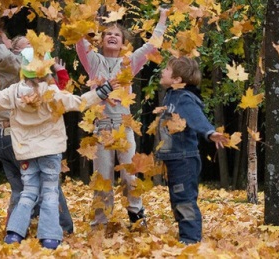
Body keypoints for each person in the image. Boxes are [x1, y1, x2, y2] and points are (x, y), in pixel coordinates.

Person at [0, 49, 116, 249]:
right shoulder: (51, 93)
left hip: (25, 151)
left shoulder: (14, 92)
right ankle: (49, 237)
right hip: (50, 151)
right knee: (49, 192)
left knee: (28, 191)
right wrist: (102, 91)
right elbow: (79, 102)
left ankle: (14, 233)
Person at [0, 14, 74, 234]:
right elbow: (4, 55)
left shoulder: (9, 68)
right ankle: (62, 228)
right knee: (48, 185)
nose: (7, 41)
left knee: (21, 190)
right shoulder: (11, 66)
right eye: (8, 42)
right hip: (18, 138)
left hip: (5, 137)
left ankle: (15, 231)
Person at [75, 8, 169, 227]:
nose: (112, 36)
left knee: (130, 176)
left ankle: (136, 217)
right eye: (108, 33)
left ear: (124, 42)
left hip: (124, 129)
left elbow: (151, 46)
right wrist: (85, 15)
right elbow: (80, 41)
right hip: (102, 129)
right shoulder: (93, 61)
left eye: (117, 34)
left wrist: (162, 18)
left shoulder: (130, 62)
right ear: (101, 40)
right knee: (103, 179)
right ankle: (100, 223)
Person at [155, 56, 228, 244]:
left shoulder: (184, 98)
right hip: (175, 158)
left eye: (167, 69)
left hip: (184, 159)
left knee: (184, 199)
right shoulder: (171, 95)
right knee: (177, 198)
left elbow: (197, 118)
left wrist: (210, 133)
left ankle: (191, 240)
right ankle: (186, 235)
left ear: (177, 79)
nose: (162, 71)